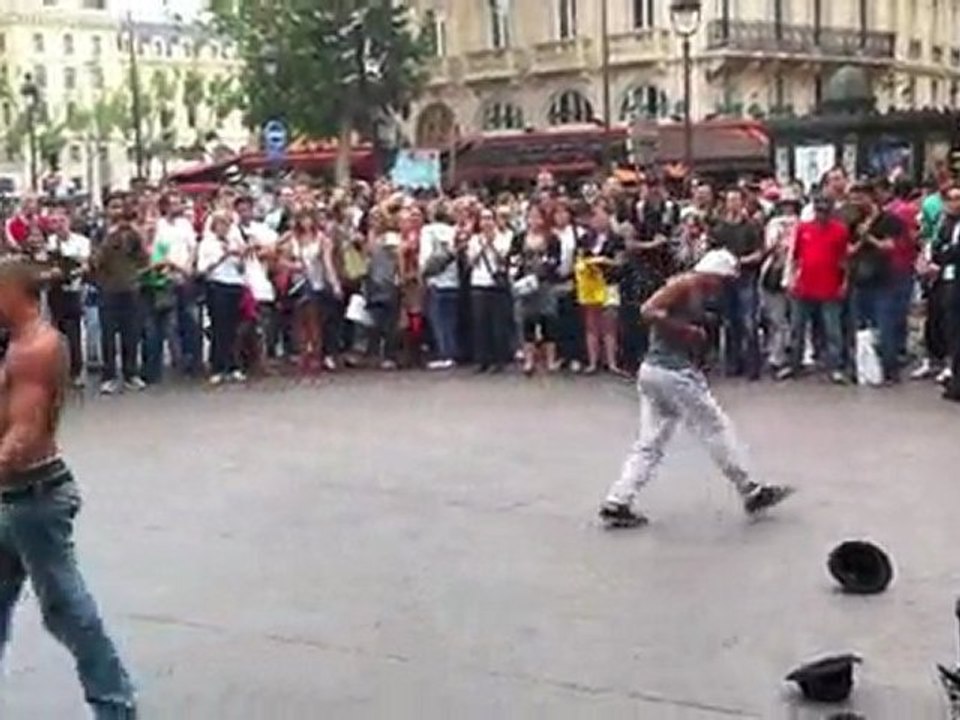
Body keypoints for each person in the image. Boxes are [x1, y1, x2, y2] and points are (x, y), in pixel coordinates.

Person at [0, 257, 136, 718]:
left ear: (12, 293)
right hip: (15, 496)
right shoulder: (17, 343)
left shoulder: (36, 347)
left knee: (68, 610)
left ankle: (115, 706)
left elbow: (25, 431)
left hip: (34, 496)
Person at [598, 248, 793, 527]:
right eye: (722, 281)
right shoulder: (685, 284)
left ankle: (618, 499)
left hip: (657, 371)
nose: (721, 288)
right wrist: (684, 330)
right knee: (716, 428)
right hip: (673, 372)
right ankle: (751, 489)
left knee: (650, 442)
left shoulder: (697, 290)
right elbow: (649, 309)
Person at [779, 194, 849, 383]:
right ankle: (794, 365)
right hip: (804, 285)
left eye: (825, 211)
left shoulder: (840, 230)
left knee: (832, 330)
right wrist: (791, 280)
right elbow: (795, 258)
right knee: (797, 328)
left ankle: (835, 367)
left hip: (830, 286)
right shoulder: (803, 228)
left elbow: (845, 260)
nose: (822, 215)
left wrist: (844, 283)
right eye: (819, 210)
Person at [92, 193, 148, 395]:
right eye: (113, 207)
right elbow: (95, 261)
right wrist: (109, 238)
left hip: (130, 288)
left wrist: (138, 236)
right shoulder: (100, 233)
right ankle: (108, 376)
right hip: (108, 289)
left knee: (131, 334)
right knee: (108, 335)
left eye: (120, 207)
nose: (117, 211)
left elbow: (144, 259)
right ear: (106, 210)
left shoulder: (131, 233)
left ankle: (130, 374)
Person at [713, 188, 764, 379]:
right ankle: (733, 363)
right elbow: (713, 252)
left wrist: (741, 260)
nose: (733, 203)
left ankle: (753, 366)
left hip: (746, 278)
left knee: (749, 322)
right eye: (730, 200)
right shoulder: (719, 228)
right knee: (729, 322)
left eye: (736, 200)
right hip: (726, 280)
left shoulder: (751, 227)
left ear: (742, 203)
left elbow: (759, 253)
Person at [508, 203, 561, 375]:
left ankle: (550, 360)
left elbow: (555, 260)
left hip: (544, 284)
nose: (534, 220)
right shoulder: (519, 238)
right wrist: (518, 272)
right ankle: (529, 360)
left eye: (538, 216)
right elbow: (512, 258)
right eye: (531, 216)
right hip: (525, 284)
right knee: (527, 322)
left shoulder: (552, 238)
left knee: (548, 322)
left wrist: (543, 271)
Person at [197, 211, 248, 385]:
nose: (224, 228)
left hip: (235, 284)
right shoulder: (207, 244)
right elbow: (202, 269)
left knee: (234, 328)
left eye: (227, 224)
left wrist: (240, 257)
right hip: (217, 285)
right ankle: (217, 367)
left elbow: (241, 268)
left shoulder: (234, 242)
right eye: (220, 224)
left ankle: (233, 366)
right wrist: (223, 256)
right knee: (219, 327)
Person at [45, 204, 91, 387]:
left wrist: (69, 271)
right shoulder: (50, 242)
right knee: (55, 333)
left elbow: (84, 265)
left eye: (61, 221)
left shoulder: (81, 241)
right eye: (54, 222)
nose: (58, 225)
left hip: (73, 290)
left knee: (74, 333)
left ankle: (76, 372)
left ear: (69, 221)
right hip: (54, 292)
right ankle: (58, 372)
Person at [467, 207, 513, 373]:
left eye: (489, 218)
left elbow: (504, 260)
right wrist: (483, 245)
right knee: (480, 323)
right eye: (483, 219)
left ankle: (499, 359)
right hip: (479, 283)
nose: (487, 222)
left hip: (496, 284)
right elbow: (471, 262)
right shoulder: (474, 240)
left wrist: (492, 244)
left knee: (498, 323)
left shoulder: (504, 238)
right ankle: (482, 359)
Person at [419, 200, 460, 370]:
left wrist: (423, 272)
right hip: (453, 280)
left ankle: (445, 354)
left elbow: (426, 257)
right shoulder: (453, 231)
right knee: (451, 320)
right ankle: (452, 352)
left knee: (439, 321)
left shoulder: (428, 231)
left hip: (436, 281)